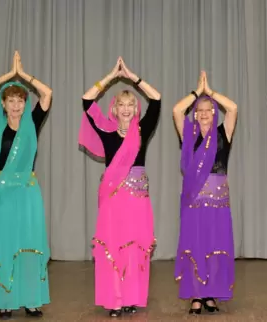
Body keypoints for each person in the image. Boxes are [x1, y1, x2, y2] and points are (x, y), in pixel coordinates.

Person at [78, 57, 161, 317]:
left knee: (135, 248)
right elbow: (86, 100)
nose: (126, 109)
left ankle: (132, 298)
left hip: (137, 199)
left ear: (135, 108)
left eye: (130, 104)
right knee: (112, 246)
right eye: (121, 104)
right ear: (114, 109)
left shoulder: (142, 130)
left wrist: (133, 77)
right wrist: (111, 77)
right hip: (113, 199)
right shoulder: (106, 130)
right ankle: (114, 299)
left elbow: (156, 100)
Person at [0, 51, 53, 320]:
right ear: (4, 104)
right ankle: (4, 301)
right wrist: (10, 74)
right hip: (3, 193)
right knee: (5, 244)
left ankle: (31, 300)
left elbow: (47, 94)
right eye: (11, 100)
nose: (17, 105)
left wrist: (24, 76)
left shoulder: (33, 122)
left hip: (28, 193)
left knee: (29, 245)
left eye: (20, 100)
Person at [172, 71, 238, 315]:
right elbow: (177, 111)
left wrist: (209, 93)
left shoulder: (223, 134)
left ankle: (211, 293)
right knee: (195, 243)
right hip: (194, 201)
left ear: (214, 113)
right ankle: (196, 296)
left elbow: (233, 108)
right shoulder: (188, 136)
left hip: (219, 202)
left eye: (208, 109)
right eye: (199, 110)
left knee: (215, 243)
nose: (203, 113)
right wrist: (196, 94)